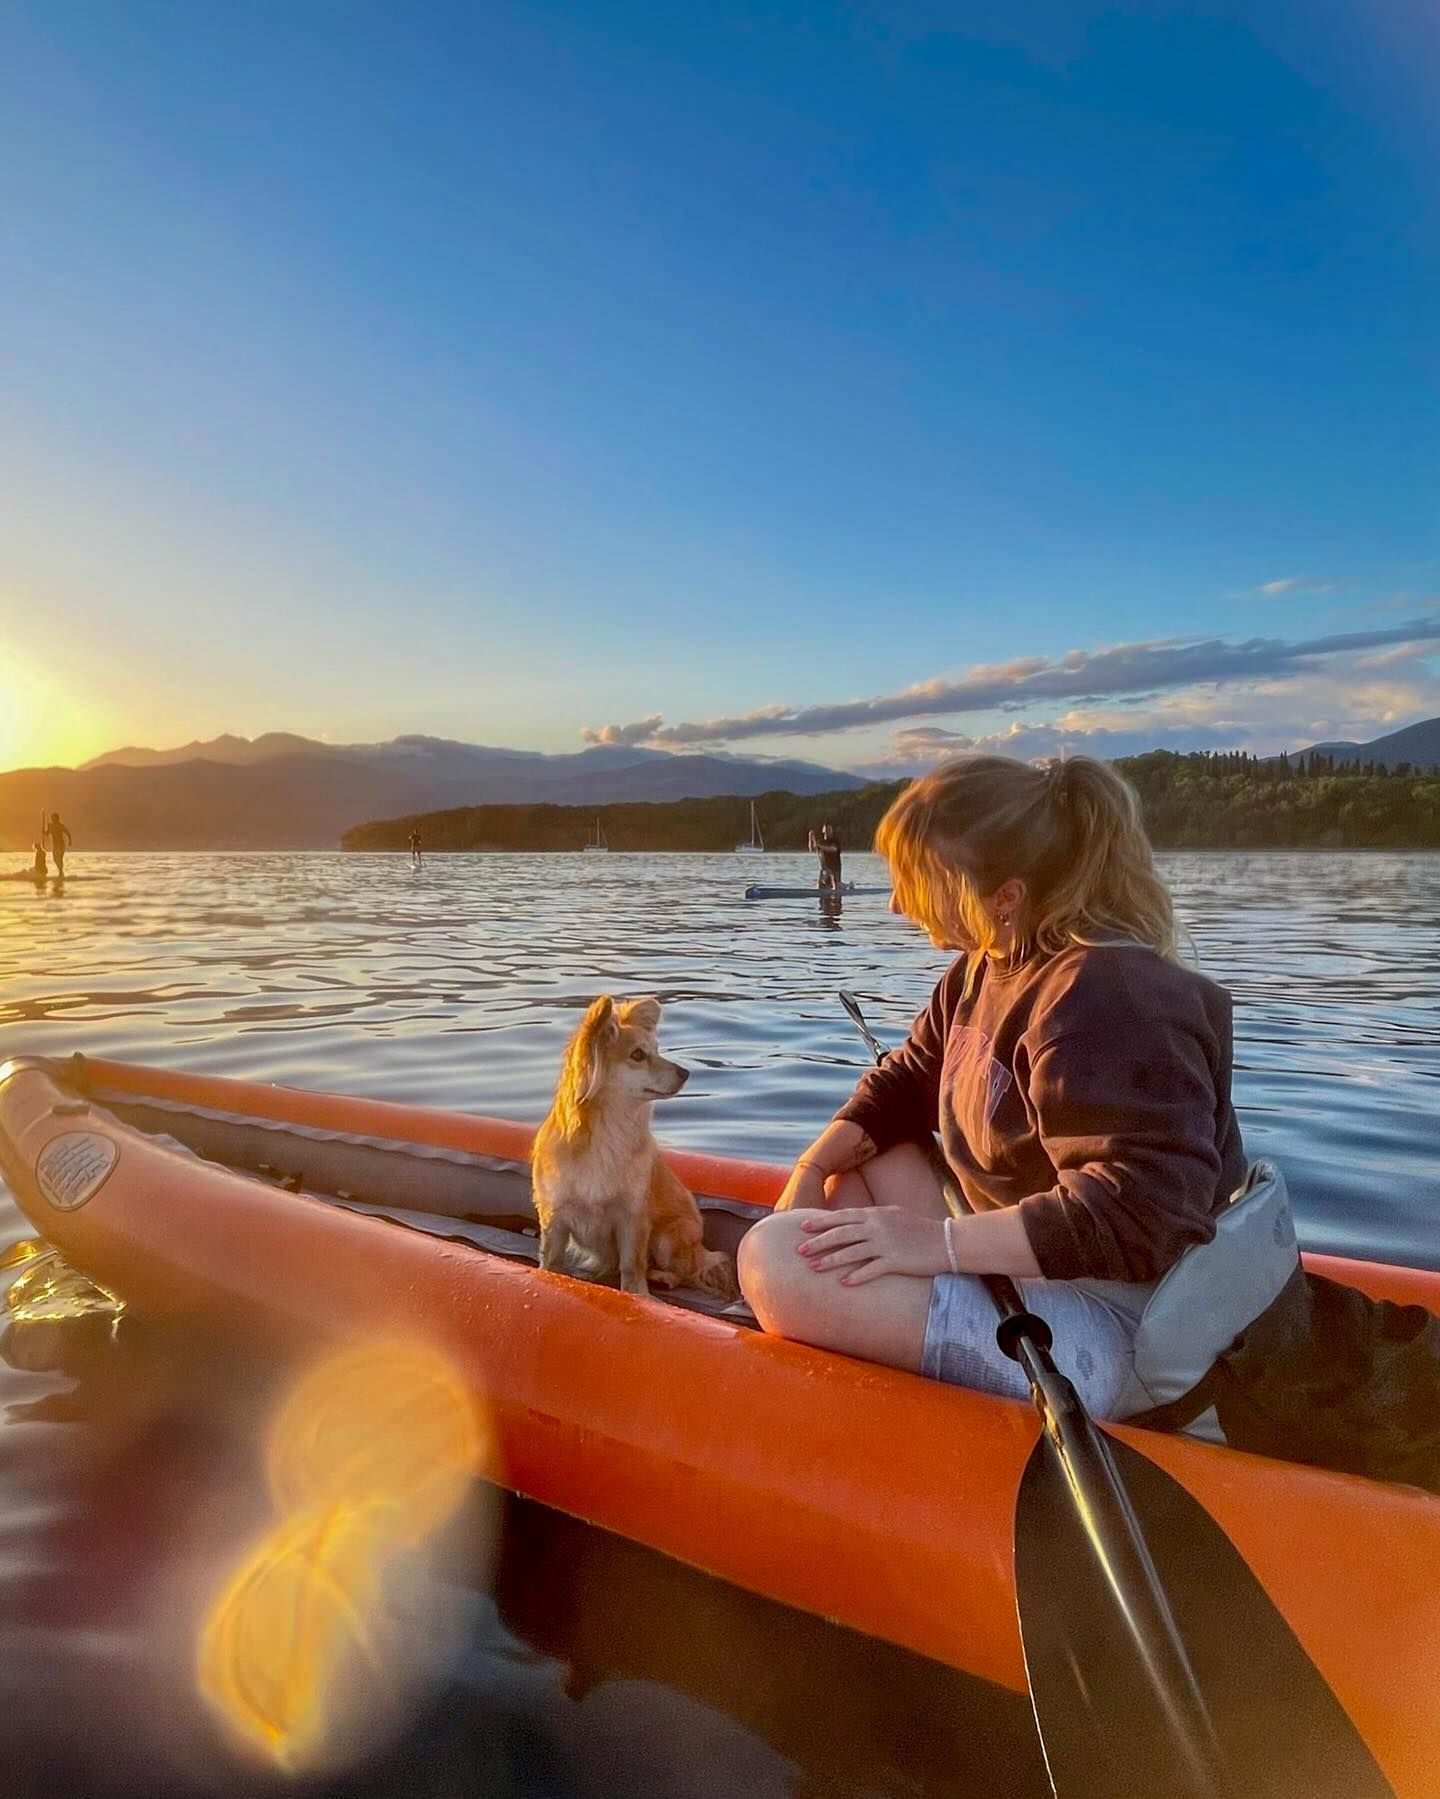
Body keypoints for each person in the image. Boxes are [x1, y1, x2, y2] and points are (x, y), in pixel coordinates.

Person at [738, 756, 1260, 1423]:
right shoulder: (985, 965)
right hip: (1028, 1267)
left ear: (1004, 897)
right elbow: (906, 1082)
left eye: (918, 882)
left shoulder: (1111, 998)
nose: (897, 904)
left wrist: (936, 1245)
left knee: (771, 1260)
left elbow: (1141, 1214)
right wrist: (811, 1167)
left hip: (1129, 1326)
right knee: (865, 1161)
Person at [809, 821, 843, 891]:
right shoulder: (820, 841)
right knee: (820, 885)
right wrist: (810, 838)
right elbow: (812, 849)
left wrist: (820, 846)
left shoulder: (835, 841)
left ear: (832, 831)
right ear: (823, 830)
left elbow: (833, 849)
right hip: (825, 869)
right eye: (826, 830)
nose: (827, 832)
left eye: (829, 830)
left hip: (834, 869)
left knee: (835, 886)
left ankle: (841, 886)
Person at [45, 812, 71, 876]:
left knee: (60, 859)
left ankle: (60, 872)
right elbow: (47, 834)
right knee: (55, 859)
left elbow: (67, 832)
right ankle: (60, 871)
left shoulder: (61, 826)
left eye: (54, 818)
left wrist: (70, 841)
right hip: (55, 845)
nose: (52, 819)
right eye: (52, 818)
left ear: (57, 819)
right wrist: (43, 831)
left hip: (61, 844)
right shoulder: (50, 825)